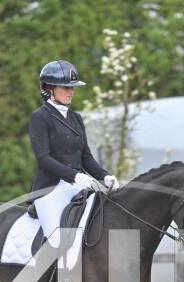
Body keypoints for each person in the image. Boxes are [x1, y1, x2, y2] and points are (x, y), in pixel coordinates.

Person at [28, 59, 119, 249]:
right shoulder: (40, 117)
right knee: (57, 242)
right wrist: (75, 176)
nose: (71, 91)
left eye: (72, 87)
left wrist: (104, 176)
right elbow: (43, 158)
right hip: (50, 190)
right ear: (50, 89)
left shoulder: (76, 118)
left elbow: (86, 157)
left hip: (78, 187)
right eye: (65, 87)